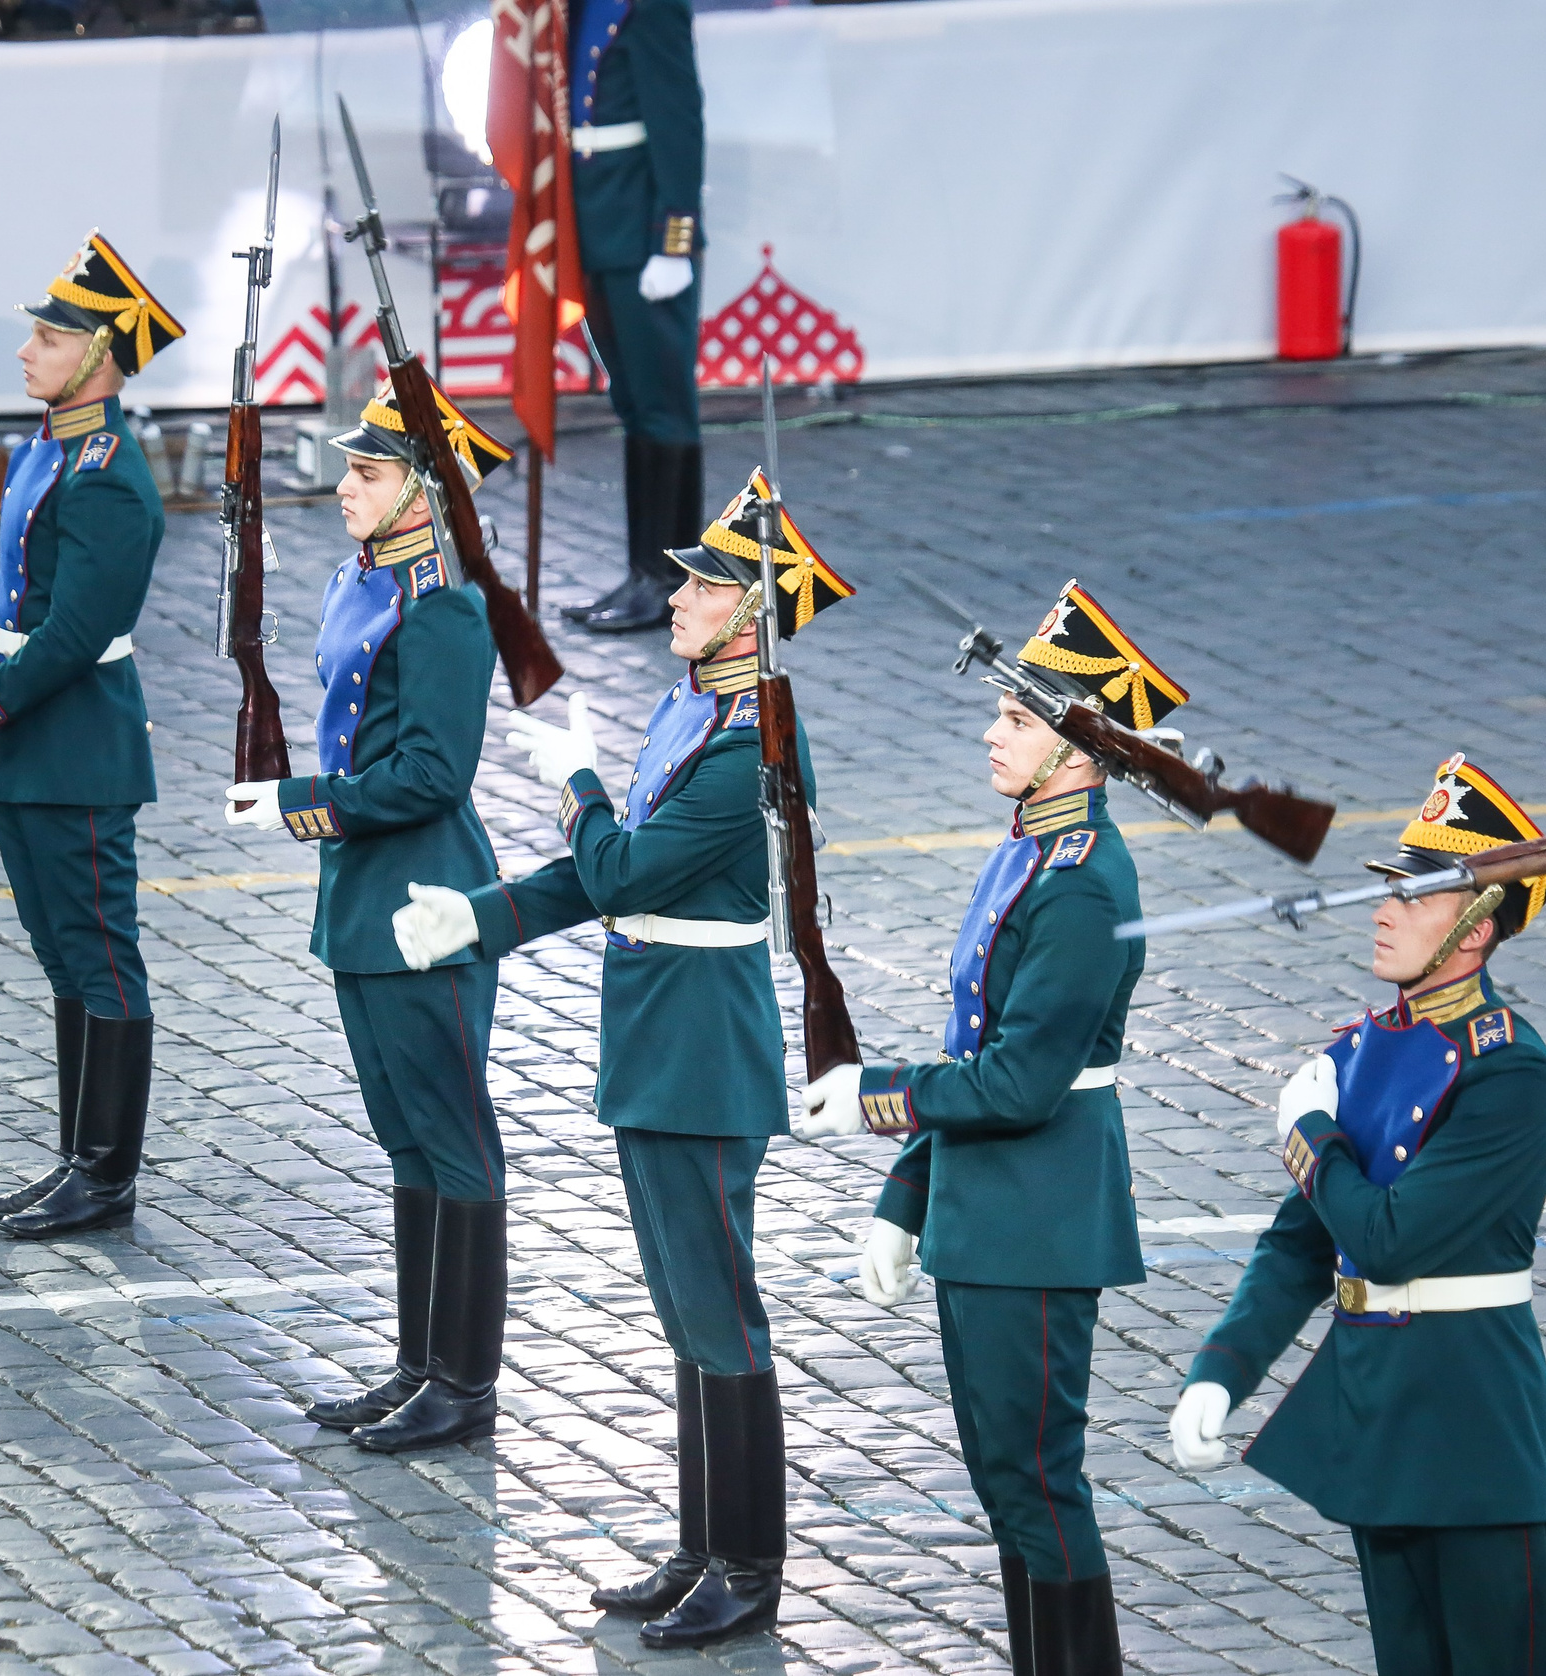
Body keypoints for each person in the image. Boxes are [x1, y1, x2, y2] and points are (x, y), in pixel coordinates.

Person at [391, 471, 853, 1646]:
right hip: (658, 1037)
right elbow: (607, 875)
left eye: (704, 585)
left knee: (719, 1311)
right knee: (683, 1310)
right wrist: (480, 915)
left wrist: (575, 784)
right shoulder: (691, 713)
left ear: (751, 615)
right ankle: (702, 1541)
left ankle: (747, 1559)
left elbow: (623, 872)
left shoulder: (748, 744)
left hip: (703, 1050)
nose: (681, 596)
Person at [795, 579, 1174, 1676]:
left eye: (1016, 718)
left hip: (1039, 1216)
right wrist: (902, 1199)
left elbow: (1016, 1084)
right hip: (987, 1212)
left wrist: (873, 1091)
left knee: (1037, 1479)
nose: (990, 730)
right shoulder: (1026, 848)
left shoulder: (1081, 884)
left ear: (1080, 748)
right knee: (1005, 1479)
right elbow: (973, 1046)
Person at [1168, 755, 1546, 1676]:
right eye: (1390, 889)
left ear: (1475, 929)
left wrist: (1311, 1136)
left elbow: (1390, 1238)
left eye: (1415, 898)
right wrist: (1221, 1371)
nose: (1384, 910)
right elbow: (1300, 1246)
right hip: (1383, 1430)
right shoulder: (1364, 1048)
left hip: (1475, 1437)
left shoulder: (1509, 1073)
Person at [224, 386, 514, 1454]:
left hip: (426, 896)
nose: (344, 485)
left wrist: (302, 800)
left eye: (371, 471)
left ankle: (465, 1377)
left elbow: (434, 772)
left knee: (451, 1135)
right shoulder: (367, 575)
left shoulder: (442, 602)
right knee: (405, 1138)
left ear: (428, 492)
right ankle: (417, 1362)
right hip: (363, 891)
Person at [0, 231, 180, 1240]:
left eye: (50, 336)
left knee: (101, 956)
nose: (27, 349)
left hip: (77, 738)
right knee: (63, 954)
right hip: (35, 738)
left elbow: (76, 632)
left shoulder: (104, 472)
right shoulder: (56, 445)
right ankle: (76, 1156)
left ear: (100, 354)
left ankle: (105, 1173)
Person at [559, 0, 706, 634]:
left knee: (662, 403)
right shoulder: (578, 9)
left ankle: (671, 576)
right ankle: (643, 570)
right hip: (596, 223)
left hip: (643, 226)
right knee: (633, 405)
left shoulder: (650, 8)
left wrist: (673, 240)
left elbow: (679, 121)